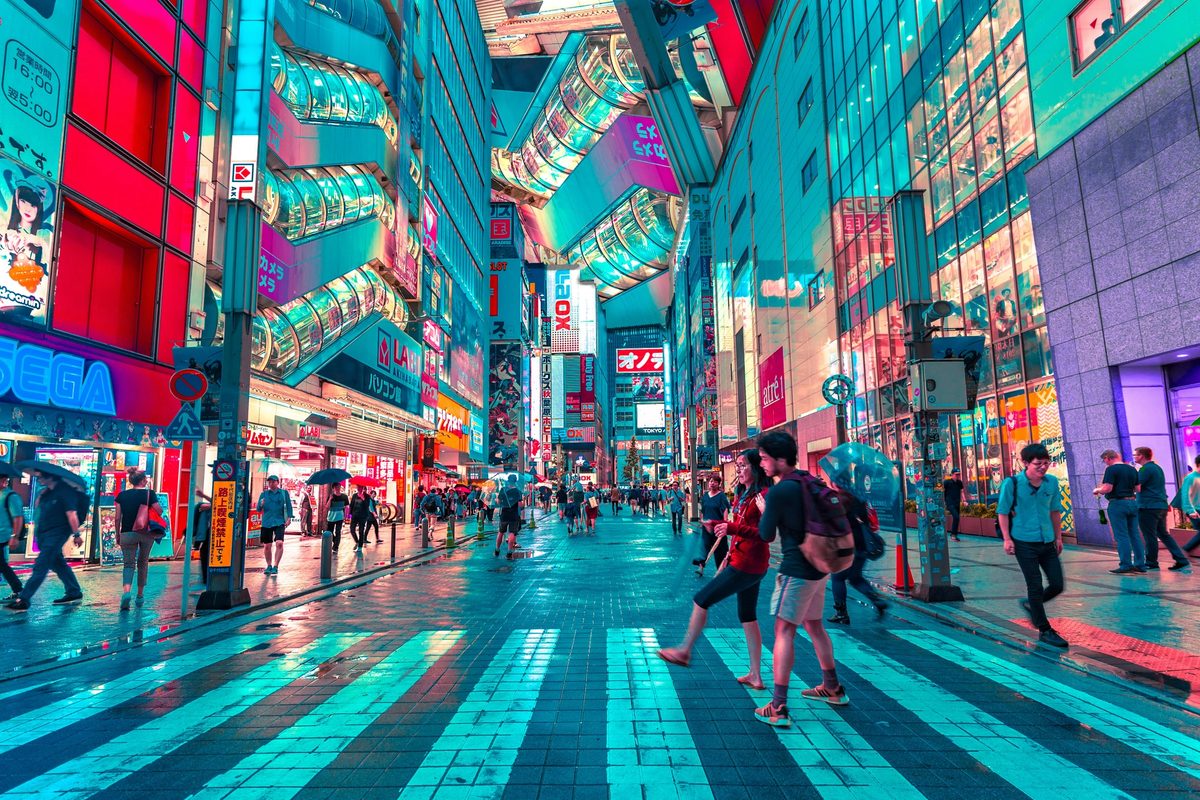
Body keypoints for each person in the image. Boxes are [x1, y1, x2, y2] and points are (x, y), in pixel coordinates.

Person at [754, 431, 848, 724]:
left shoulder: (781, 491)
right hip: (820, 567)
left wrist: (765, 510)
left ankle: (779, 706)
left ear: (781, 459)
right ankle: (832, 687)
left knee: (783, 632)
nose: (762, 464)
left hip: (797, 570)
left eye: (765, 459)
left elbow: (766, 535)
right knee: (815, 625)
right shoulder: (809, 480)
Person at [658, 449, 772, 691]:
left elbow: (765, 534)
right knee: (748, 616)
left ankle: (685, 651)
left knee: (701, 599)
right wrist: (725, 537)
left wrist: (730, 528)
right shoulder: (744, 494)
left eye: (743, 465)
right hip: (747, 561)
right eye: (737, 465)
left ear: (756, 468)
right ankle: (756, 675)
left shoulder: (763, 495)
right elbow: (740, 527)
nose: (739, 469)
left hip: (748, 564)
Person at [997, 443, 1069, 648]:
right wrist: (1007, 539)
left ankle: (1032, 604)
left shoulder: (1051, 483)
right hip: (1023, 541)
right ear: (1025, 463)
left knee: (1057, 584)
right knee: (1035, 584)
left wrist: (1058, 537)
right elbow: (1002, 512)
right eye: (1038, 464)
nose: (1043, 467)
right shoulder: (1012, 484)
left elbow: (1055, 511)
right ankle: (1045, 629)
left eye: (1046, 463)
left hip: (1047, 541)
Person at [5, 471, 86, 611]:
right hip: (44, 534)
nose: (38, 479)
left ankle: (24, 599)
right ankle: (74, 591)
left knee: (41, 565)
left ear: (50, 476)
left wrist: (76, 534)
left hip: (57, 533)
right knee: (58, 564)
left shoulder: (65, 492)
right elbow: (39, 509)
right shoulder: (47, 492)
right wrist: (42, 496)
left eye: (40, 476)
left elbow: (71, 514)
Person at [827, 485, 889, 624]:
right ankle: (876, 600)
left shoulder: (838, 500)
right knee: (855, 578)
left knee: (837, 578)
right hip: (862, 543)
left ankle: (841, 613)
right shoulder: (860, 499)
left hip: (846, 545)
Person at [1133, 446, 1189, 571]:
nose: (1134, 457)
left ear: (1141, 455)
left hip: (1148, 506)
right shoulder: (1157, 468)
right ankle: (1181, 559)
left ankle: (1151, 562)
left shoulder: (1145, 469)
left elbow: (1137, 486)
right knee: (1163, 534)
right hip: (1161, 505)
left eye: (1135, 455)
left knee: (1149, 535)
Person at [114, 467, 163, 608]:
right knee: (143, 562)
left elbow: (117, 518)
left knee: (128, 564)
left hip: (127, 533)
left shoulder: (121, 496)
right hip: (146, 533)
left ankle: (126, 592)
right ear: (143, 481)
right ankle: (140, 596)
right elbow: (159, 511)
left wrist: (118, 533)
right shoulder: (149, 494)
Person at [1092, 449, 1145, 574]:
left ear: (1108, 458)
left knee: (1121, 535)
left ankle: (1126, 564)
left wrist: (1097, 489)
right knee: (1135, 535)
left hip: (1118, 504)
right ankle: (1140, 564)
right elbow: (1138, 488)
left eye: (1104, 460)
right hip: (1132, 502)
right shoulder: (1132, 469)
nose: (1105, 463)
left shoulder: (1111, 469)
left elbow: (1108, 488)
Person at [256, 475, 293, 574]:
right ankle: (269, 565)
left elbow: (289, 506)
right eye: (269, 482)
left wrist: (289, 518)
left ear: (278, 482)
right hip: (267, 522)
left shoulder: (284, 493)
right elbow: (258, 509)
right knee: (267, 546)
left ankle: (276, 565)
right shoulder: (264, 494)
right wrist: (261, 504)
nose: (271, 484)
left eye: (273, 482)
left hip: (279, 521)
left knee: (279, 543)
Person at [695, 474, 731, 576]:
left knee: (720, 550)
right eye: (711, 481)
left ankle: (722, 570)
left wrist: (725, 523)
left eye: (715, 482)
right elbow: (703, 509)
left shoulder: (721, 496)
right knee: (704, 547)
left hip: (718, 527)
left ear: (719, 484)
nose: (712, 483)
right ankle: (701, 568)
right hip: (706, 527)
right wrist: (702, 521)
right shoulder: (705, 496)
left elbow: (725, 510)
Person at [0, 470, 25, 602]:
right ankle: (18, 589)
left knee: (1, 564)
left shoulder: (11, 496)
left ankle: (18, 590)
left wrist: (14, 536)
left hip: (3, 534)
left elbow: (18, 517)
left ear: (4, 480)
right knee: (1, 564)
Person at [496, 475, 523, 558]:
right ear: (515, 481)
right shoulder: (518, 491)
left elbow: (498, 502)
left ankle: (497, 549)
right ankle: (509, 551)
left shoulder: (503, 490)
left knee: (501, 532)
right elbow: (520, 505)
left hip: (504, 513)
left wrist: (501, 502)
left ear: (508, 480)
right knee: (512, 533)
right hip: (514, 515)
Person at [1181, 455, 1200, 554]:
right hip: (1195, 509)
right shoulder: (1190, 478)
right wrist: (1190, 510)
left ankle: (1185, 550)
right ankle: (1185, 549)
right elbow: (1185, 495)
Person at [192, 490, 212, 584]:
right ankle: (206, 578)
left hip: (214, 533)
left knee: (205, 553)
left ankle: (206, 578)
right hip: (209, 533)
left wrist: (203, 495)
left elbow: (217, 502)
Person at [325, 483, 349, 552]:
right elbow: (327, 507)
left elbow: (347, 506)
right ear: (333, 488)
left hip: (340, 517)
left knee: (338, 532)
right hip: (331, 517)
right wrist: (330, 499)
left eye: (339, 487)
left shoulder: (344, 496)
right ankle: (335, 542)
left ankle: (335, 547)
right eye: (336, 487)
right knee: (330, 532)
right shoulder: (331, 496)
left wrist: (346, 515)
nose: (337, 488)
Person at [348, 485, 372, 552]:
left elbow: (367, 505)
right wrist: (349, 515)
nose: (359, 489)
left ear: (363, 488)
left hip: (363, 516)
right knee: (352, 529)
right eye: (358, 487)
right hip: (354, 515)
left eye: (361, 487)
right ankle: (357, 542)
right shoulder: (354, 495)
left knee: (361, 531)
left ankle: (360, 547)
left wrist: (363, 498)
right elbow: (351, 505)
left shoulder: (367, 496)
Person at [943, 469, 965, 542]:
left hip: (957, 503)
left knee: (957, 518)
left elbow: (962, 492)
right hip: (950, 503)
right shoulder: (947, 482)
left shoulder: (959, 483)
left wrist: (964, 500)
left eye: (959, 474)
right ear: (952, 474)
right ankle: (953, 535)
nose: (958, 476)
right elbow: (941, 491)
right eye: (956, 474)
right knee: (956, 517)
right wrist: (942, 501)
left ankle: (954, 534)